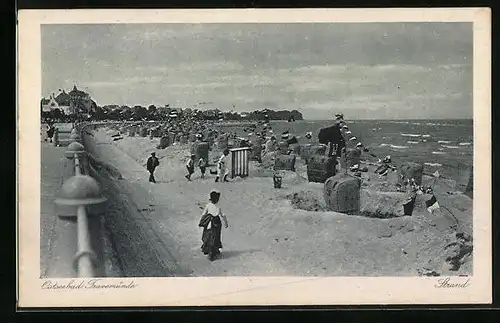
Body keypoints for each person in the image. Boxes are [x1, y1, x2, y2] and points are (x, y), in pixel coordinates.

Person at [199, 190, 228, 261]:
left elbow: (203, 214)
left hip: (209, 222)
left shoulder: (208, 205)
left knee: (208, 236)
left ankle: (208, 249)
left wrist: (202, 220)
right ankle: (214, 250)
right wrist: (225, 223)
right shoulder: (218, 207)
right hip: (216, 223)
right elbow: (223, 215)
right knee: (216, 237)